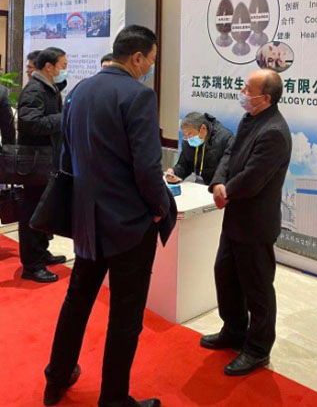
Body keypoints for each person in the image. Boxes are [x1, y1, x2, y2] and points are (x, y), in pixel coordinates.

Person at [43, 25, 176, 407]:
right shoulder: (138, 96)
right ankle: (114, 399)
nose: (150, 67)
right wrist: (159, 210)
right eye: (151, 60)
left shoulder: (79, 91)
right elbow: (147, 169)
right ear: (137, 57)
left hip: (87, 219)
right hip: (129, 225)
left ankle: (56, 379)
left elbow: (66, 157)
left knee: (77, 300)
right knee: (125, 315)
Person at [200, 69, 292, 376]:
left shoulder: (274, 131)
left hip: (255, 223)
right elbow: (230, 153)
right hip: (235, 218)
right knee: (225, 274)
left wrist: (227, 191)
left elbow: (254, 177)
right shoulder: (250, 118)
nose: (241, 92)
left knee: (257, 288)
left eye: (246, 89)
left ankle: (257, 349)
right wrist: (218, 182)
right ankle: (234, 330)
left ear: (265, 98)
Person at [17, 47, 68, 283]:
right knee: (32, 211)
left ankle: (41, 253)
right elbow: (29, 122)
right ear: (49, 66)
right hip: (35, 162)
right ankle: (32, 265)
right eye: (62, 65)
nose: (64, 70)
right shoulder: (34, 90)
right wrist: (63, 117)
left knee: (44, 210)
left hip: (46, 159)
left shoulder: (48, 88)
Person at [165, 112, 233, 186]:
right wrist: (174, 172)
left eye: (190, 134)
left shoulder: (225, 138)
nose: (188, 138)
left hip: (220, 185)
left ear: (203, 128)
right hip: (199, 186)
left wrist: (218, 184)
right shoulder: (188, 141)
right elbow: (184, 165)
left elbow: (227, 169)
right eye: (185, 135)